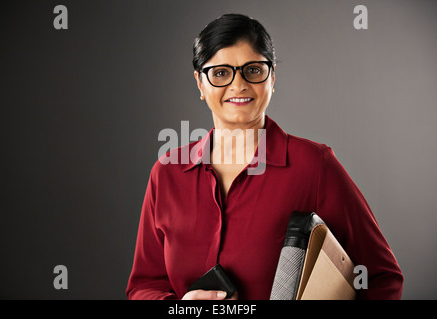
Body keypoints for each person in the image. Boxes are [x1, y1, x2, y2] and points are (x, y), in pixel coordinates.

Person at [126, 13, 403, 300]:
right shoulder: (167, 172)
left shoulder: (314, 166)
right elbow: (144, 287)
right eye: (220, 72)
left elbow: (381, 277)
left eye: (253, 70)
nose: (238, 85)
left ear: (272, 77)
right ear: (200, 83)